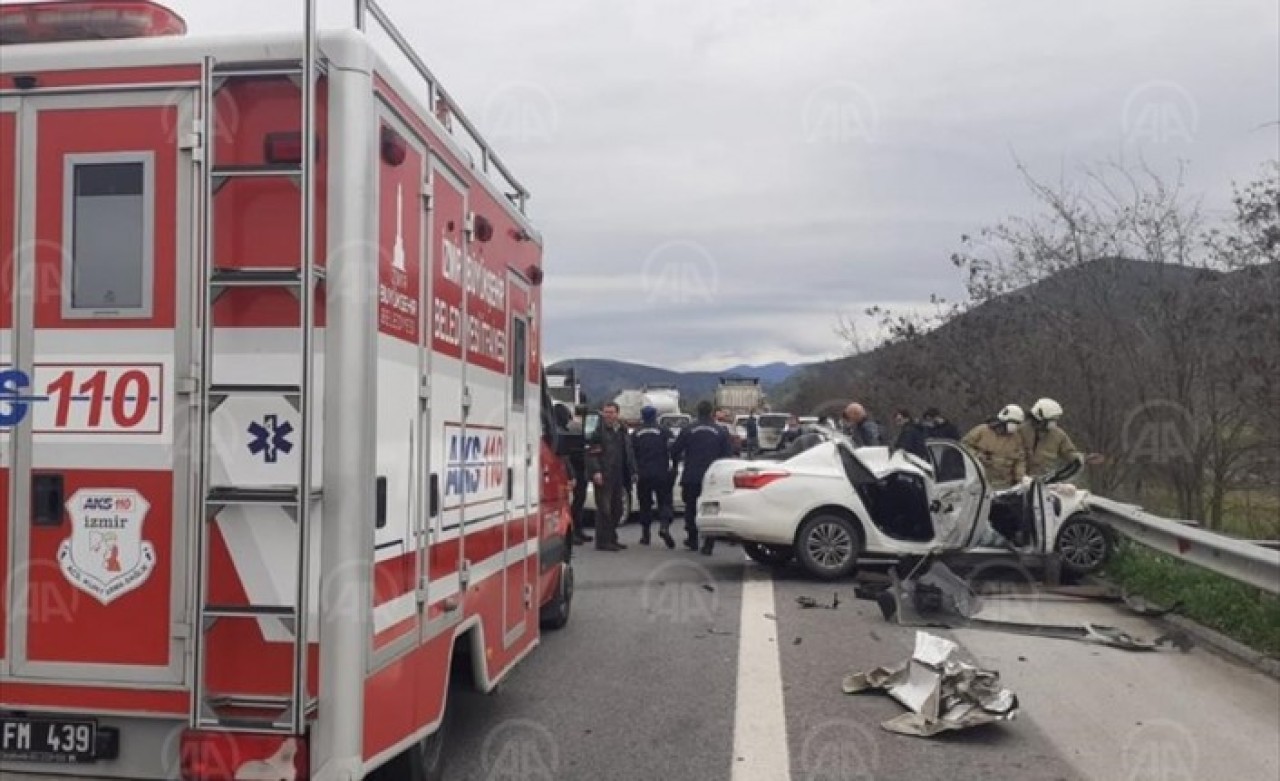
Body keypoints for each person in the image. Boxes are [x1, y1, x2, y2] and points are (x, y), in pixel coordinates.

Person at [671, 400, 733, 554]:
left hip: (691, 475)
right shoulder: (721, 431)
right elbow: (727, 457)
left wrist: (679, 461)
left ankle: (692, 539)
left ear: (697, 412)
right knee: (711, 509)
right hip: (713, 477)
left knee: (691, 508)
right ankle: (709, 543)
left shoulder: (688, 430)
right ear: (712, 412)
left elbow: (675, 450)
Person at [585, 401, 636, 552]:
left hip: (619, 474)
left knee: (618, 509)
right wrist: (596, 471)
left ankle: (612, 538)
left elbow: (628, 452)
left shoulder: (622, 430)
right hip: (604, 474)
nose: (608, 415)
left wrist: (632, 470)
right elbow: (591, 453)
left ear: (617, 414)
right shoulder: (598, 431)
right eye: (606, 412)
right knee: (604, 510)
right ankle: (603, 542)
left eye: (611, 412)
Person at [630, 405, 676, 548]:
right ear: (655, 416)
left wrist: (634, 471)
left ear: (642, 416)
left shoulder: (636, 433)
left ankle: (645, 535)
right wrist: (673, 467)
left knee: (645, 504)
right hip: (661, 472)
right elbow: (674, 450)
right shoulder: (665, 431)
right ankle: (664, 527)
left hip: (643, 474)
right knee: (665, 502)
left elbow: (631, 454)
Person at [1020, 397, 1095, 479]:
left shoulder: (1058, 434)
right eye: (1051, 420)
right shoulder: (1021, 430)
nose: (1054, 423)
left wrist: (1082, 458)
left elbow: (1068, 452)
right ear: (1040, 417)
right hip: (1021, 478)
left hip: (1045, 478)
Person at [961, 404, 1028, 490]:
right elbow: (964, 445)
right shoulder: (982, 431)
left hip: (1004, 485)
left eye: (1019, 424)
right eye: (1015, 423)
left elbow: (1020, 460)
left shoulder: (1016, 438)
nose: (1017, 427)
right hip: (980, 483)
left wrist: (1021, 478)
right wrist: (977, 455)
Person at [557, 403, 593, 546]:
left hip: (578, 467)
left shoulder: (568, 428)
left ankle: (578, 530)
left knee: (579, 501)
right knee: (576, 503)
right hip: (574, 468)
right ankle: (574, 531)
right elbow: (566, 455)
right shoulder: (571, 429)